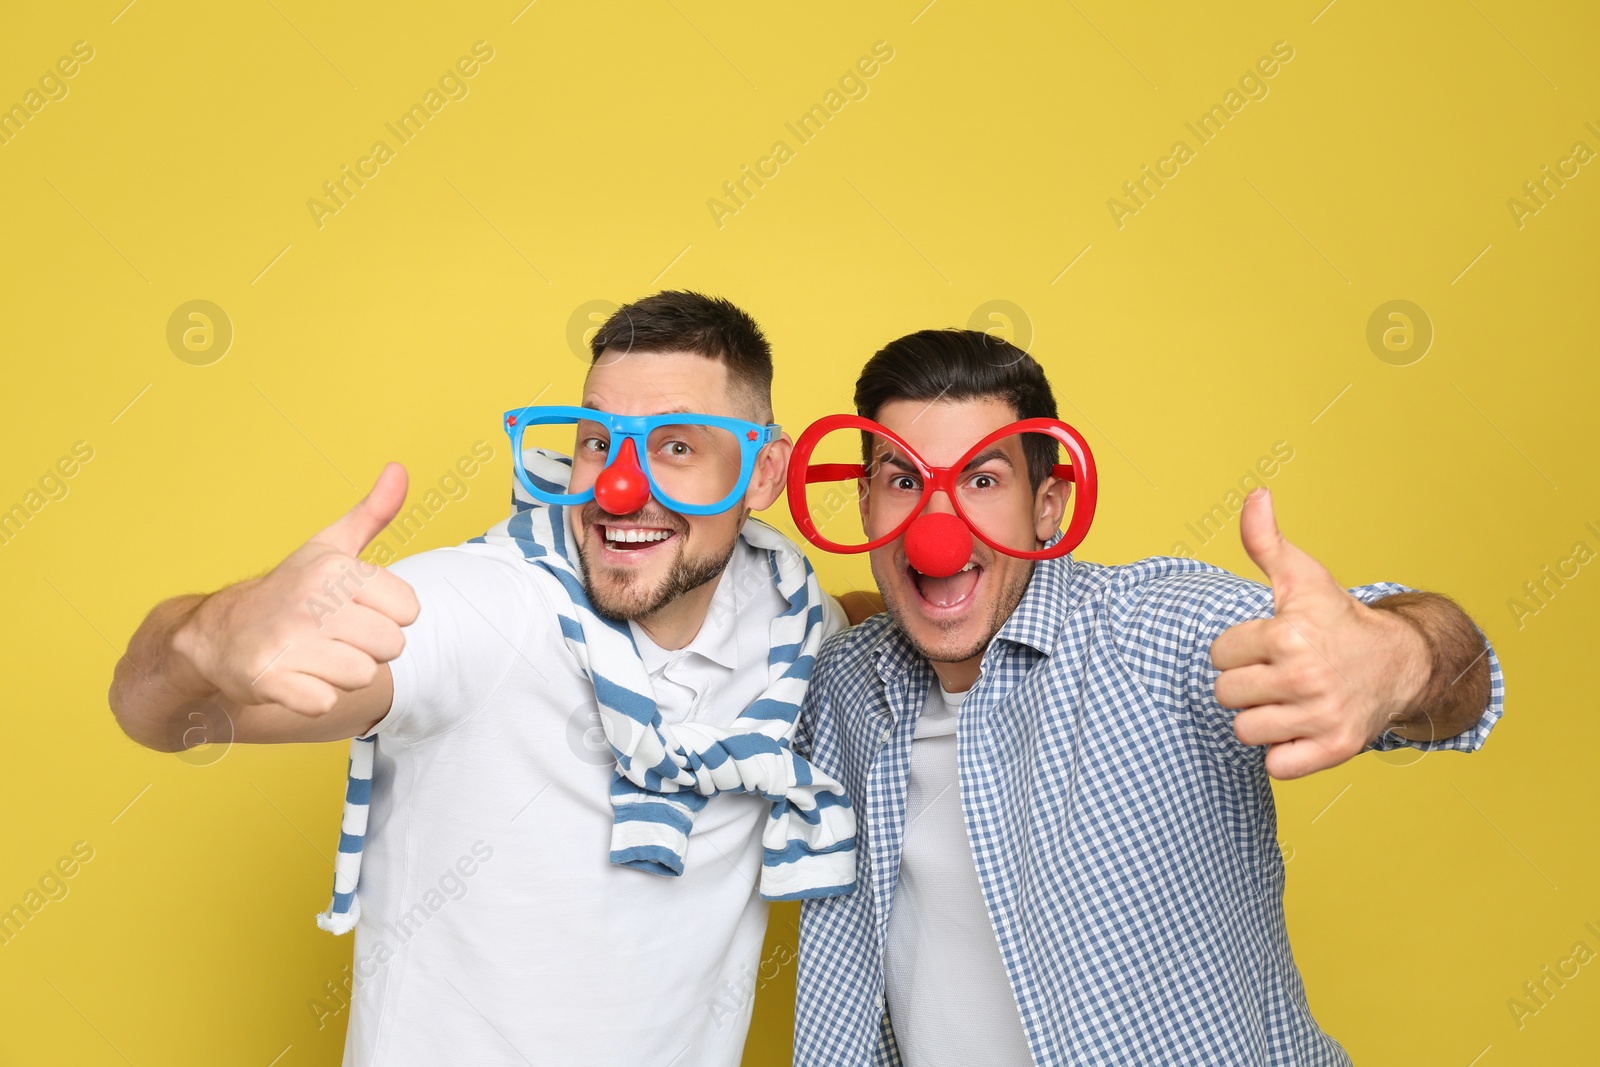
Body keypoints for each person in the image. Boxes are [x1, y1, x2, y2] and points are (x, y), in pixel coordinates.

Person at [108, 291, 861, 1067]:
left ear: (765, 469)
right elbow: (164, 716)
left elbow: (889, 643)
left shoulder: (789, 626)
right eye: (599, 441)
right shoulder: (485, 605)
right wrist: (207, 635)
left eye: (675, 447)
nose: (618, 490)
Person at [790, 329, 1503, 1066]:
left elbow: (1461, 670)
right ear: (867, 503)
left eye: (983, 479)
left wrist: (1393, 658)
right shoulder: (844, 683)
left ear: (1048, 505)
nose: (937, 528)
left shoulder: (1155, 635)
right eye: (903, 480)